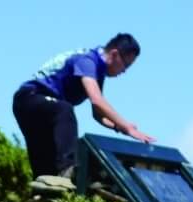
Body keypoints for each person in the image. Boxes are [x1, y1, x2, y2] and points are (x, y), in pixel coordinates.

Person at [12, 33, 151, 188]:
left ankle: (44, 194)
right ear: (114, 54)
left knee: (46, 170)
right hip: (30, 99)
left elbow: (97, 114)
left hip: (42, 109)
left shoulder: (98, 71)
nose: (124, 71)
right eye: (126, 65)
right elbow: (97, 100)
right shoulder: (87, 61)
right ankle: (68, 169)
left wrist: (118, 127)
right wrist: (127, 126)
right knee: (65, 110)